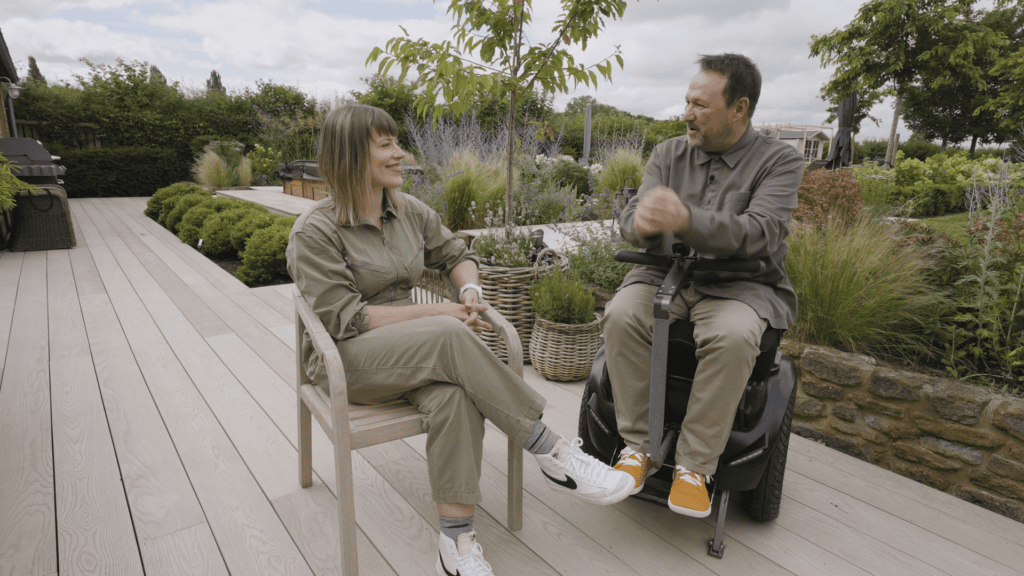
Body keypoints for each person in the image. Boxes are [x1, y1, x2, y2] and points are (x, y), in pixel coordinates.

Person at [286, 104, 635, 576]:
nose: (401, 153)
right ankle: (551, 449)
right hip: (346, 360)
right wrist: (442, 311)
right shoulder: (315, 231)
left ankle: (455, 543)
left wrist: (469, 290)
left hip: (413, 353)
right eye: (386, 144)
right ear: (350, 155)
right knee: (448, 334)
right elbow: (345, 318)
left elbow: (456, 255)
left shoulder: (408, 211)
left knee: (454, 396)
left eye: (396, 142)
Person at [600, 53, 804, 518]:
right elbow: (634, 219)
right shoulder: (668, 153)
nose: (686, 113)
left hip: (741, 283)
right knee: (621, 314)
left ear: (739, 108)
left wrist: (686, 219)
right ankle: (637, 447)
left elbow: (762, 232)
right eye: (687, 101)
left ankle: (694, 467)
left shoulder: (780, 161)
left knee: (733, 336)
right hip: (662, 273)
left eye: (700, 105)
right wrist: (641, 224)